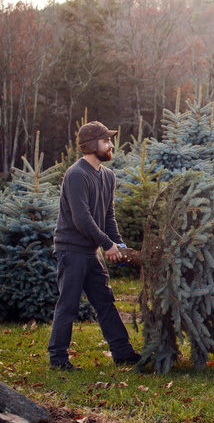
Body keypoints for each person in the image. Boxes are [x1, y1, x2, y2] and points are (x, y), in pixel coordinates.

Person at [48, 121, 141, 371]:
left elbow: (108, 216)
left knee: (105, 301)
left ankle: (122, 352)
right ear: (91, 145)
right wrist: (106, 244)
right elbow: (82, 219)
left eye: (109, 140)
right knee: (68, 305)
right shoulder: (76, 175)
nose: (111, 145)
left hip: (92, 251)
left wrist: (118, 244)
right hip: (72, 250)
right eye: (106, 141)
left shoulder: (108, 175)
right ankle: (58, 359)